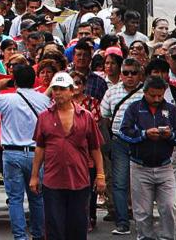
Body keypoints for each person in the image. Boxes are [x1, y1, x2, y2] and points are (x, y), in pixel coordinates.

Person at [31, 72, 106, 240]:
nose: (57, 92)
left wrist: (100, 175)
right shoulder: (44, 117)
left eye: (62, 89)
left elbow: (95, 148)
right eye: (55, 89)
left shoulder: (86, 116)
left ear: (72, 91)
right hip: (52, 181)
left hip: (79, 181)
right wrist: (34, 176)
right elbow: (40, 148)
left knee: (78, 227)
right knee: (54, 226)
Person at [0, 65, 51, 240]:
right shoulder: (43, 100)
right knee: (37, 198)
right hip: (37, 154)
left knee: (15, 199)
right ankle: (38, 234)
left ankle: (20, 237)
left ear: (15, 81)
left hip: (12, 154)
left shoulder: (8, 99)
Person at [119, 75, 176, 240]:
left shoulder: (170, 110)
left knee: (169, 207)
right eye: (153, 95)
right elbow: (123, 132)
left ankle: (167, 238)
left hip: (165, 166)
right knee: (142, 213)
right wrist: (144, 135)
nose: (157, 99)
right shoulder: (133, 108)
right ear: (145, 92)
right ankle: (145, 237)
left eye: (160, 95)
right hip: (140, 167)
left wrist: (170, 136)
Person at [100, 57, 144, 235]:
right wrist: (107, 144)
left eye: (134, 72)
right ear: (121, 74)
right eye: (126, 73)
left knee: (142, 183)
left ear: (139, 74)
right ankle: (122, 222)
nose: (130, 76)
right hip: (119, 141)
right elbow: (104, 118)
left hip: (142, 142)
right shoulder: (111, 92)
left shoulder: (145, 92)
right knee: (119, 183)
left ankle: (143, 221)